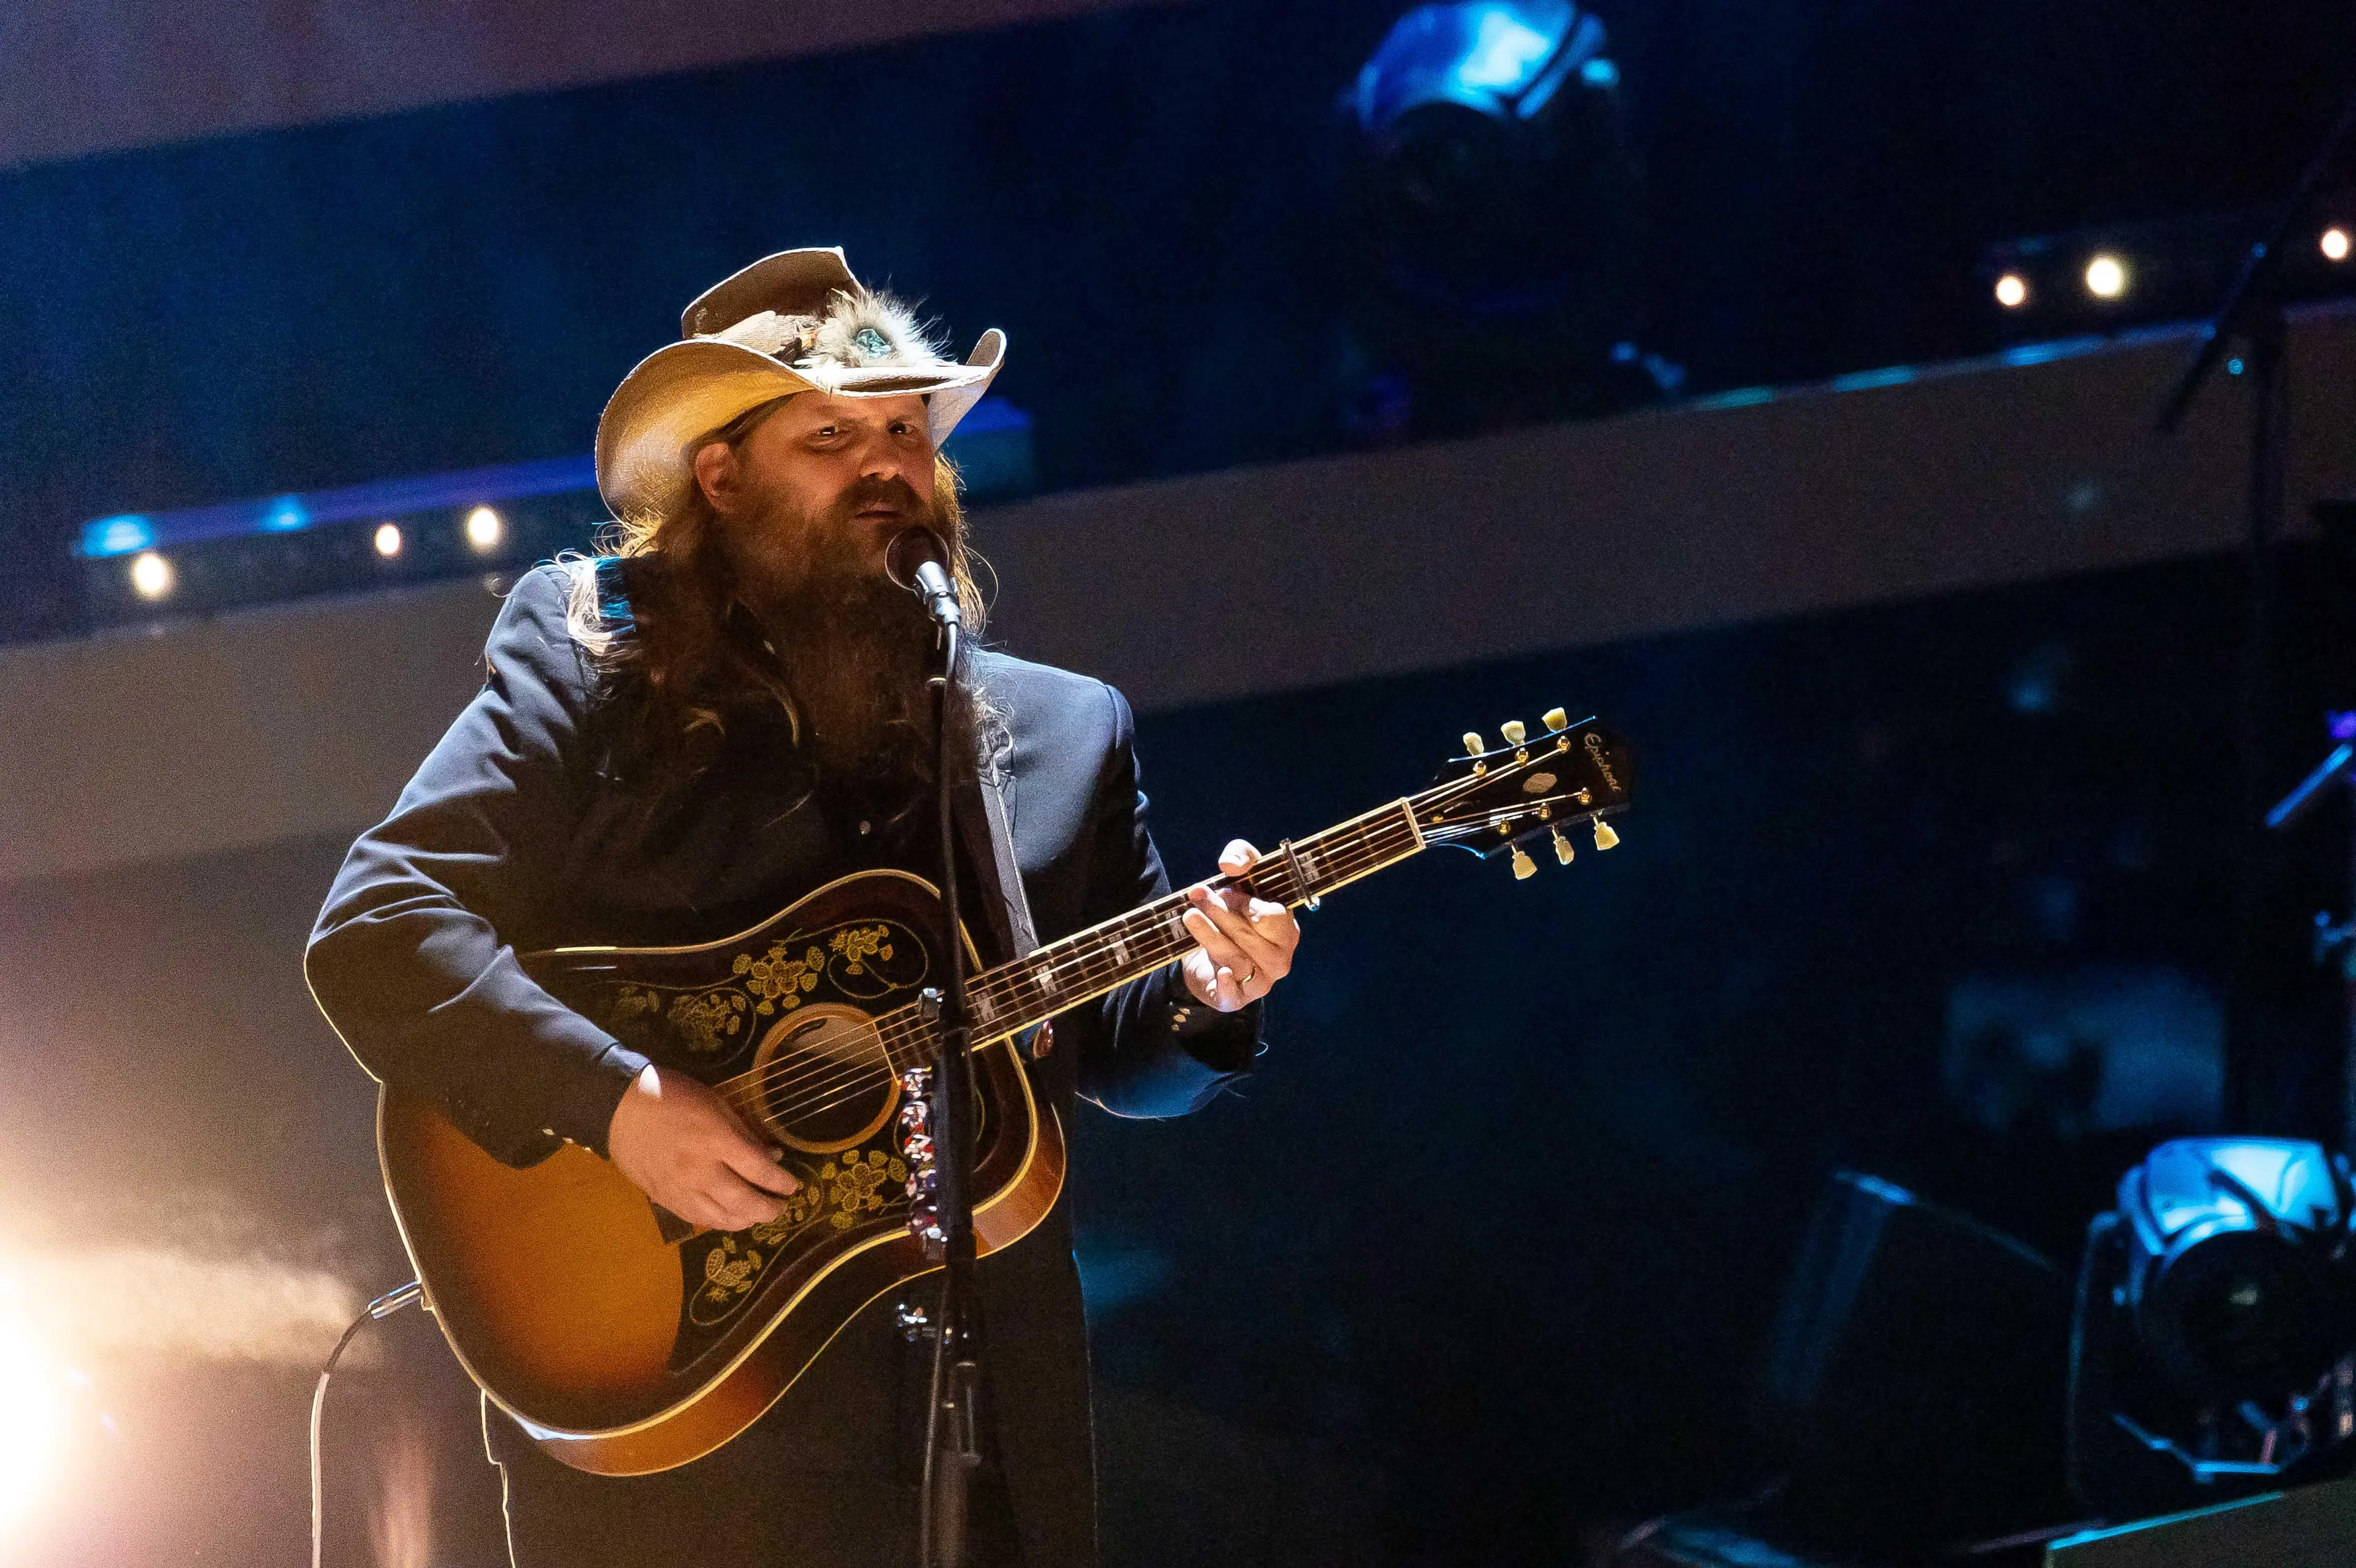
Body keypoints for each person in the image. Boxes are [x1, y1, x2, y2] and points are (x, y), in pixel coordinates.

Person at [305, 247, 1303, 1567]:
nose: (888, 464)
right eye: (832, 436)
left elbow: (1119, 1059)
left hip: (989, 1417)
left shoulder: (1061, 731)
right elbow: (378, 926)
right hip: (673, 1418)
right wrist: (617, 1100)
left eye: (906, 431)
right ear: (721, 477)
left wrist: (1205, 993)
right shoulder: (590, 658)